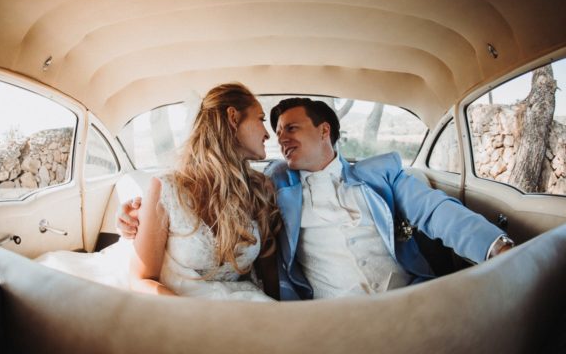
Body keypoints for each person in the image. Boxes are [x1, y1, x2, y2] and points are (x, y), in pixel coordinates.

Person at [119, 97, 513, 301]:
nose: (279, 137)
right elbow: (211, 189)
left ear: (325, 131)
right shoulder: (269, 183)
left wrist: (497, 247)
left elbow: (436, 211)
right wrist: (141, 216)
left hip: (407, 300)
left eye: (292, 127)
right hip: (329, 315)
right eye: (273, 128)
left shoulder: (385, 171)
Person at [127, 83, 280, 301]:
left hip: (242, 306)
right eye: (261, 119)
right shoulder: (167, 189)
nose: (267, 134)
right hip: (176, 308)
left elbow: (269, 271)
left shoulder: (261, 189)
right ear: (233, 118)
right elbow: (141, 279)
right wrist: (192, 316)